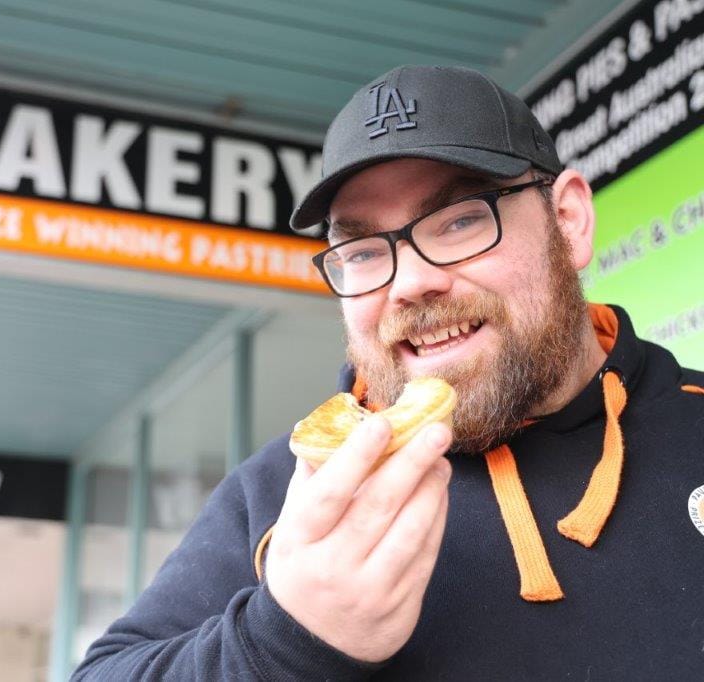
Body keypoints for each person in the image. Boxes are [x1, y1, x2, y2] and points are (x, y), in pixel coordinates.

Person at [72, 65, 704, 680]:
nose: (410, 283)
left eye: (461, 220)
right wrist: (285, 642)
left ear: (568, 222)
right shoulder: (288, 494)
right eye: (365, 251)